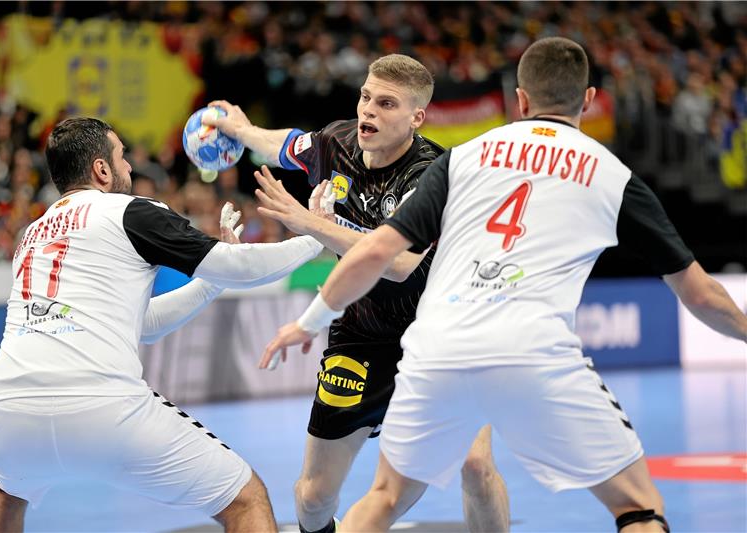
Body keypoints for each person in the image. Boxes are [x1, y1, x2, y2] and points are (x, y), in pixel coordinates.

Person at [261, 37, 747, 532]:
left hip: (440, 341)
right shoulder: (611, 175)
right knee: (638, 507)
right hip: (533, 346)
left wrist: (309, 320)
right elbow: (700, 293)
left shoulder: (462, 158)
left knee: (385, 497)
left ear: (520, 100)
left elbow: (379, 252)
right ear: (588, 100)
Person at [0, 117, 330, 533]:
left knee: (3, 490)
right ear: (102, 170)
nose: (129, 169)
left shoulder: (30, 235)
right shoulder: (131, 211)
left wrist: (210, 283)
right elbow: (244, 267)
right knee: (245, 499)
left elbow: (142, 325)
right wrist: (318, 234)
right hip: (101, 404)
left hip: (5, 410)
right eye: (123, 157)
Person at [206, 53, 509, 533]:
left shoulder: (432, 172)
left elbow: (400, 263)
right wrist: (242, 131)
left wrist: (307, 223)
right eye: (366, 96)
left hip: (438, 336)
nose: (368, 109)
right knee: (311, 498)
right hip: (360, 336)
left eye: (386, 103)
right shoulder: (337, 142)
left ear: (416, 117)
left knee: (475, 464)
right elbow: (283, 145)